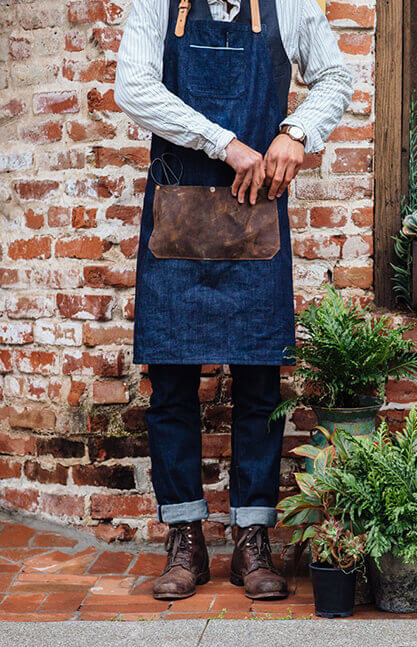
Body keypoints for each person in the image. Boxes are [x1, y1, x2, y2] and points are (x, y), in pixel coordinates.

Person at [114, 0, 352, 600]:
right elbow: (133, 88)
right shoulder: (156, 4)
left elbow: (335, 76)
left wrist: (296, 132)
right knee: (170, 387)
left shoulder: (289, 4)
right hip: (176, 221)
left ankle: (253, 541)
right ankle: (185, 540)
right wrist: (226, 143)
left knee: (259, 386)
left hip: (255, 221)